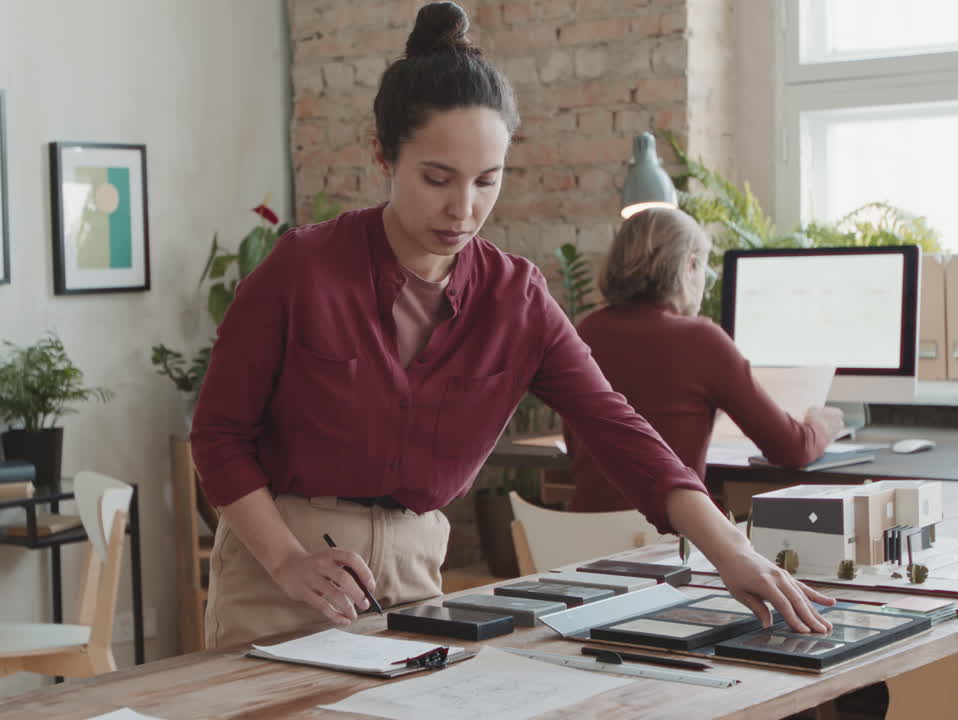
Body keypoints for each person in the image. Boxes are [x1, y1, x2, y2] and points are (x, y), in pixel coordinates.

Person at [191, 1, 833, 651]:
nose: (463, 209)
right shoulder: (303, 268)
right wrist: (286, 560)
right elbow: (217, 434)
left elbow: (619, 430)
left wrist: (730, 552)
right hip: (282, 571)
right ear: (383, 154)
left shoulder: (515, 300)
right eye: (437, 179)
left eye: (486, 181)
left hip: (413, 573)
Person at [568, 207, 846, 513]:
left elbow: (577, 444)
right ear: (689, 266)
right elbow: (791, 448)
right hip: (669, 543)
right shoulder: (700, 339)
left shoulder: (586, 331)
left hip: (584, 543)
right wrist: (822, 425)